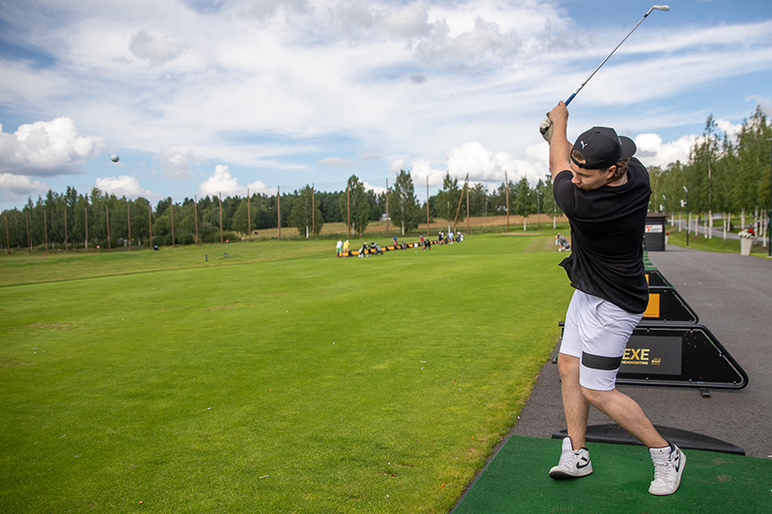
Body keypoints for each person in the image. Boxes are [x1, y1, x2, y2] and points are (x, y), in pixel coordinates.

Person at [543, 101, 685, 496]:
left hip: (615, 303)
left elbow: (558, 159)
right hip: (587, 291)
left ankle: (666, 453)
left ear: (610, 171)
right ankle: (576, 453)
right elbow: (566, 158)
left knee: (595, 388)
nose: (575, 178)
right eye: (577, 168)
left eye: (583, 174)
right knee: (568, 366)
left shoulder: (581, 203)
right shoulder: (636, 174)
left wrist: (558, 123)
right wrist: (558, 134)